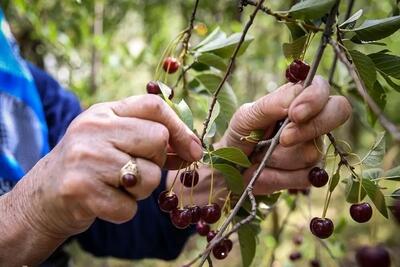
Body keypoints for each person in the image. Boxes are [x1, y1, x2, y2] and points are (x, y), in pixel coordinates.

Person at [0, 8, 352, 266]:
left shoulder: (24, 79)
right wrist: (28, 212)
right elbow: (44, 204)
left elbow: (114, 221)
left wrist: (220, 173)